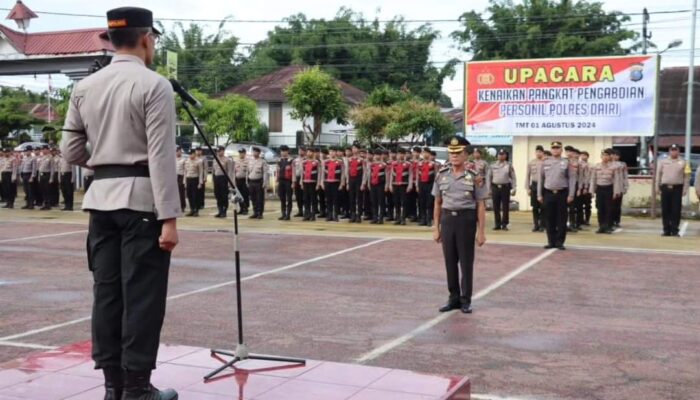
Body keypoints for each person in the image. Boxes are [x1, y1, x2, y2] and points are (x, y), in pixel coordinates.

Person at [60, 6, 180, 399]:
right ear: (148, 38)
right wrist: (170, 218)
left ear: (111, 41)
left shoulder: (85, 87)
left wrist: (106, 162)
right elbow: (161, 157)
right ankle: (137, 389)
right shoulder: (154, 84)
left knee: (107, 294)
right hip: (143, 204)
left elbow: (70, 149)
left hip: (101, 202)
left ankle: (113, 387)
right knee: (142, 297)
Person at [433, 136, 487, 314]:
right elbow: (438, 203)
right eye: (451, 153)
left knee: (465, 262)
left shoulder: (474, 177)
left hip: (466, 221)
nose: (454, 156)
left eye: (458, 153)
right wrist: (436, 228)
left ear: (466, 155)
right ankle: (453, 298)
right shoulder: (441, 175)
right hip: (447, 220)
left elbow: (480, 204)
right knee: (449, 261)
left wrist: (481, 232)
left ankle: (465, 300)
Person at [538, 141, 576, 250]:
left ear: (561, 150)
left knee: (561, 219)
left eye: (558, 148)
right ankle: (551, 241)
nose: (555, 150)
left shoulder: (566, 162)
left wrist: (571, 194)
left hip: (562, 193)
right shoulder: (545, 162)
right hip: (548, 193)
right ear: (551, 150)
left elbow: (572, 179)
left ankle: (560, 242)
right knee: (549, 219)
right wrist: (539, 194)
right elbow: (541, 179)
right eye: (553, 148)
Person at [656, 144, 688, 236]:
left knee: (676, 210)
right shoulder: (662, 161)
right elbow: (658, 175)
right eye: (672, 150)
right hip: (665, 188)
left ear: (679, 151)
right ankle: (666, 230)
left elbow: (686, 177)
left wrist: (685, 189)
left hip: (677, 188)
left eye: (675, 150)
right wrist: (656, 187)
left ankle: (675, 230)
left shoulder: (684, 162)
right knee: (665, 209)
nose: (674, 151)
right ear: (669, 151)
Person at [590, 149, 621, 234]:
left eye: (607, 155)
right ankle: (601, 226)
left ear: (609, 157)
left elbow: (616, 180)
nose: (605, 157)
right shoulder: (596, 166)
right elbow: (593, 179)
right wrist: (592, 191)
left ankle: (607, 226)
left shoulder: (614, 167)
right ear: (601, 156)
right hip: (599, 189)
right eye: (603, 155)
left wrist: (616, 192)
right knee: (600, 208)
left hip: (609, 188)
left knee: (609, 208)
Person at [488, 149, 516, 231]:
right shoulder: (492, 165)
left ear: (505, 156)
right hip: (495, 187)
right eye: (499, 154)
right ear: (497, 156)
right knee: (495, 207)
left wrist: (514, 188)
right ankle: (497, 224)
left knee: (505, 207)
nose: (501, 156)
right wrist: (488, 189)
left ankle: (504, 224)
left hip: (505, 188)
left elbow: (513, 177)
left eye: (503, 154)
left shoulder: (509, 165)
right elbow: (489, 178)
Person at [388, 148, 413, 225]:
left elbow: (410, 175)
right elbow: (391, 174)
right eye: (398, 154)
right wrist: (390, 184)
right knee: (396, 201)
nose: (400, 155)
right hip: (395, 184)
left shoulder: (408, 164)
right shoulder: (394, 163)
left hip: (404, 184)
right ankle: (397, 218)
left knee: (404, 202)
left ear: (404, 155)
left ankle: (403, 218)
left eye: (402, 154)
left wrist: (410, 185)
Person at [416, 147, 439, 227]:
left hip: (430, 185)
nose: (425, 154)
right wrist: (417, 185)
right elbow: (417, 175)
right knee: (421, 202)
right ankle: (423, 219)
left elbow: (436, 176)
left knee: (429, 203)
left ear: (429, 154)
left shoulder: (434, 164)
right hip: (421, 184)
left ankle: (429, 219)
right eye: (423, 152)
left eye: (426, 152)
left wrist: (436, 186)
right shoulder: (419, 163)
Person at [366, 149, 389, 224]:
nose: (376, 156)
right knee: (373, 201)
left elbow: (387, 176)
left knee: (381, 201)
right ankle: (374, 217)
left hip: (381, 185)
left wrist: (386, 185)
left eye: (378, 155)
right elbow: (369, 175)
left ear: (381, 156)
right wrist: (369, 184)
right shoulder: (371, 164)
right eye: (375, 155)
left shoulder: (384, 165)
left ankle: (381, 218)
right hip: (373, 184)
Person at [322, 147, 345, 221]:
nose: (332, 153)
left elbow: (343, 173)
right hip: (327, 182)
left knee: (336, 200)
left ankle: (335, 215)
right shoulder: (325, 162)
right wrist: (322, 183)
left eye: (333, 151)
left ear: (336, 153)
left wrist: (342, 183)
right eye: (330, 151)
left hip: (336, 182)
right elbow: (322, 173)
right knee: (328, 200)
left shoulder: (340, 162)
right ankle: (329, 215)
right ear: (329, 153)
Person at [526, 145, 545, 232]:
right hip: (534, 185)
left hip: (544, 186)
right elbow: (527, 176)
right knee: (535, 207)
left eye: (540, 152)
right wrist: (528, 188)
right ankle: (536, 224)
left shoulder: (546, 162)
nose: (538, 153)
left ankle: (542, 225)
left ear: (543, 153)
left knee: (543, 206)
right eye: (537, 152)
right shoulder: (531, 162)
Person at [212, 145, 234, 218]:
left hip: (224, 179)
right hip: (217, 179)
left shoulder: (227, 160)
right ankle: (220, 211)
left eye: (219, 151)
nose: (218, 153)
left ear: (223, 151)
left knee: (224, 195)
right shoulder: (215, 159)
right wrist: (213, 180)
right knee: (218, 195)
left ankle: (224, 211)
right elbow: (213, 171)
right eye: (217, 151)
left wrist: (229, 182)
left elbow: (230, 171)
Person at [301, 147, 322, 221]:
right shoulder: (304, 162)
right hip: (305, 182)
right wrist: (301, 182)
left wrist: (318, 184)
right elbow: (302, 173)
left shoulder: (317, 162)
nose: (309, 153)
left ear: (313, 153)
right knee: (306, 199)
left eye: (310, 152)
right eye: (308, 152)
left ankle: (313, 215)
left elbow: (319, 173)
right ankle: (307, 214)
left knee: (313, 199)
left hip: (313, 183)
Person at [346, 144, 365, 223]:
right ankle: (352, 214)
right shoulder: (349, 159)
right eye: (353, 148)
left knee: (359, 198)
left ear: (359, 149)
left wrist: (363, 183)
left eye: (355, 148)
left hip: (359, 179)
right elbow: (347, 171)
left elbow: (364, 172)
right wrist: (347, 182)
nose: (354, 149)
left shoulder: (362, 160)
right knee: (351, 198)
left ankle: (359, 215)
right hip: (351, 180)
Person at [277, 145, 295, 221]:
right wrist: (277, 181)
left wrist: (293, 182)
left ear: (287, 151)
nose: (283, 152)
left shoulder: (291, 160)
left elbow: (294, 172)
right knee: (282, 198)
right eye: (281, 151)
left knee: (289, 198)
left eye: (284, 151)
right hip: (281, 181)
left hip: (288, 181)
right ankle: (283, 214)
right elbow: (277, 171)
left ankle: (288, 214)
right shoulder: (279, 160)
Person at [611, 149, 628, 228]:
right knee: (610, 205)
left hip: (620, 186)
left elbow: (625, 176)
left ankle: (616, 221)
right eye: (613, 155)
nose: (615, 157)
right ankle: (609, 220)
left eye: (616, 155)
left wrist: (625, 186)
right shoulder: (608, 164)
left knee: (617, 205)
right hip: (610, 186)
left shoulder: (622, 165)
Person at [184, 149, 204, 216]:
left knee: (195, 196)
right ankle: (191, 209)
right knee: (189, 195)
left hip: (195, 179)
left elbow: (201, 172)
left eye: (191, 154)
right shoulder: (186, 161)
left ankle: (196, 210)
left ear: (194, 154)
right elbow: (185, 172)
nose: (190, 155)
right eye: (189, 154)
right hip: (188, 179)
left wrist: (200, 183)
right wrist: (185, 182)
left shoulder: (199, 161)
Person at [234, 148, 250, 215]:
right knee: (239, 195)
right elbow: (234, 171)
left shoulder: (248, 161)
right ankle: (241, 208)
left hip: (244, 180)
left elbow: (248, 171)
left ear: (245, 153)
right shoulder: (236, 161)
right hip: (238, 180)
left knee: (245, 195)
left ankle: (245, 208)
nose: (241, 154)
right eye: (240, 153)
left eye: (242, 153)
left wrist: (247, 181)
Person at [579, 151, 593, 226]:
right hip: (580, 186)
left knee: (588, 204)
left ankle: (587, 220)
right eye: (582, 155)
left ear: (588, 156)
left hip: (588, 186)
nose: (583, 156)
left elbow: (591, 177)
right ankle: (580, 220)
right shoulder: (579, 164)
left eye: (585, 155)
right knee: (579, 204)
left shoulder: (591, 165)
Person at [293, 146, 306, 218]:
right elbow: (294, 171)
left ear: (305, 152)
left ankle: (306, 210)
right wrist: (294, 180)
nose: (300, 152)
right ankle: (300, 210)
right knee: (298, 196)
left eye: (302, 150)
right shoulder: (295, 160)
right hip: (297, 178)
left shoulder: (307, 159)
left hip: (305, 179)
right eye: (299, 150)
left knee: (305, 196)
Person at [175, 146, 186, 212]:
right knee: (174, 193)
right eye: (177, 151)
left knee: (181, 192)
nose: (178, 153)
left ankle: (182, 206)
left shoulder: (183, 160)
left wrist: (184, 179)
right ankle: (176, 206)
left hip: (181, 176)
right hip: (174, 176)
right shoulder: (173, 159)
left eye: (179, 151)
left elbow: (185, 170)